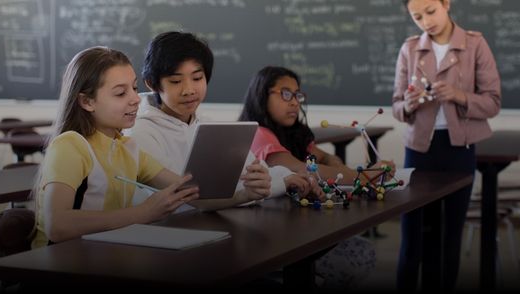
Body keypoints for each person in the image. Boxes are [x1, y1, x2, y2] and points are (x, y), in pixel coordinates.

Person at [31, 46, 270, 248]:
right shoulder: (71, 145)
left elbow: (193, 196)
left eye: (134, 88)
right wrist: (142, 213)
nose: (135, 99)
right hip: (61, 267)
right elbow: (57, 226)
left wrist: (245, 195)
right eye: (120, 93)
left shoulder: (128, 148)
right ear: (87, 101)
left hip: (105, 256)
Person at [238, 65, 395, 288]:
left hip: (295, 227)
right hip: (268, 237)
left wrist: (335, 164)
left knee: (361, 251)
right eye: (285, 94)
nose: (294, 102)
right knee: (357, 257)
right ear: (262, 95)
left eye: (297, 95)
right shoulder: (258, 133)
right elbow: (302, 168)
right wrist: (366, 176)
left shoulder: (294, 132)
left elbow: (324, 159)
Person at [128, 31, 318, 208]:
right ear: (152, 84)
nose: (189, 90)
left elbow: (252, 171)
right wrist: (259, 191)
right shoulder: (140, 131)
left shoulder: (209, 125)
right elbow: (188, 197)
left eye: (197, 78)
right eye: (176, 81)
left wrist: (288, 177)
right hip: (168, 232)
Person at [391, 0, 501, 291]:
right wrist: (409, 104)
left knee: (450, 236)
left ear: (446, 4)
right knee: (412, 236)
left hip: (459, 149)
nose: (426, 21)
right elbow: (396, 105)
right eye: (417, 17)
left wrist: (458, 95)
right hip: (418, 150)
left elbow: (493, 102)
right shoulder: (409, 48)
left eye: (431, 12)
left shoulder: (475, 44)